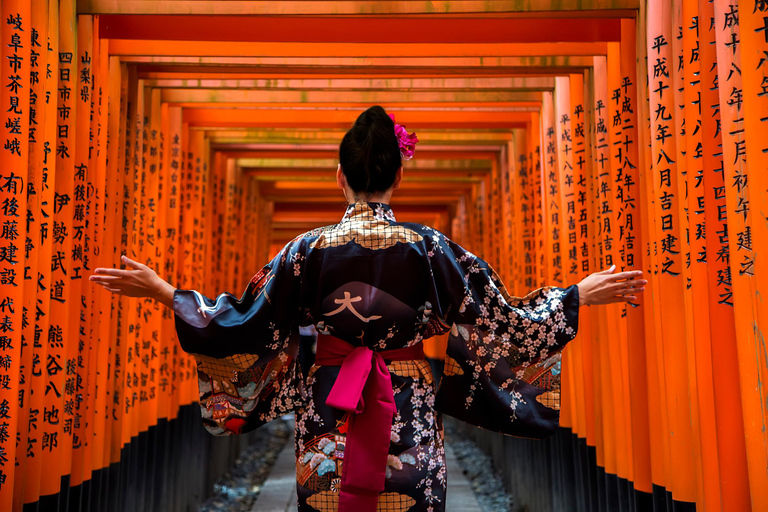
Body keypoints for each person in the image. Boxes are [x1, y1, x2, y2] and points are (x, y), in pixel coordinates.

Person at [90, 106, 646, 512]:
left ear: (340, 176)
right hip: (408, 405)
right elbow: (501, 321)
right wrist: (577, 296)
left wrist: (165, 292)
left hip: (328, 408)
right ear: (399, 175)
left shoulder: (304, 250)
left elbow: (247, 321)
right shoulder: (432, 249)